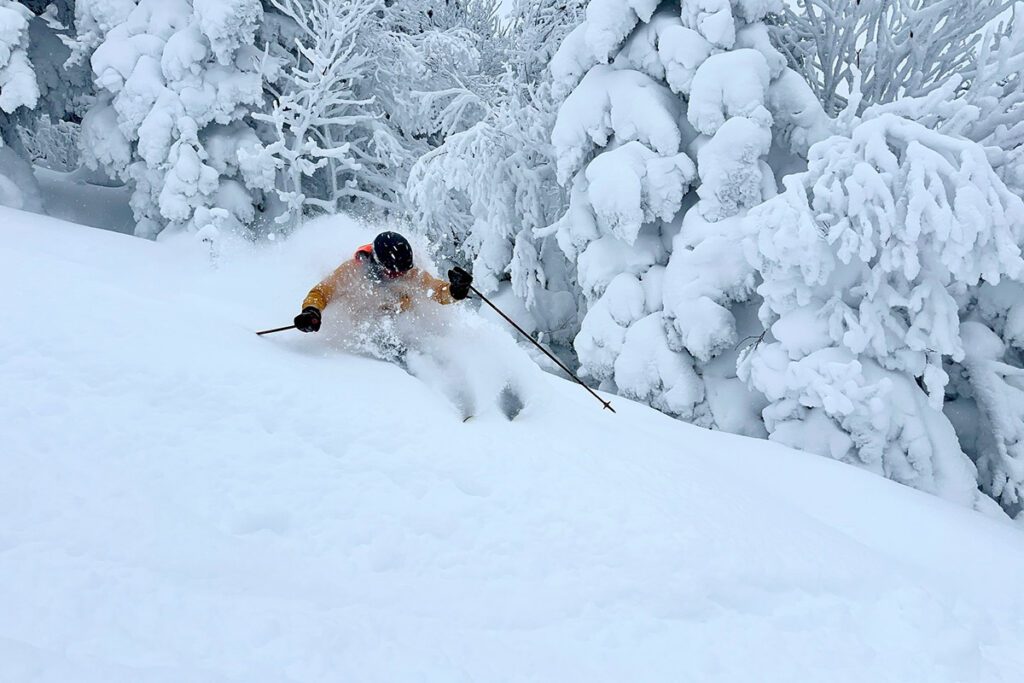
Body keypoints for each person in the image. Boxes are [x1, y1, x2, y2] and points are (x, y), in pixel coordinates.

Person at [293, 231, 473, 334]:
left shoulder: (410, 274)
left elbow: (437, 292)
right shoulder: (352, 272)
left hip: (402, 330)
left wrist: (456, 290)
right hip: (365, 333)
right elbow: (321, 292)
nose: (400, 275)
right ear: (379, 264)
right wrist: (311, 311)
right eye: (395, 271)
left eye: (404, 271)